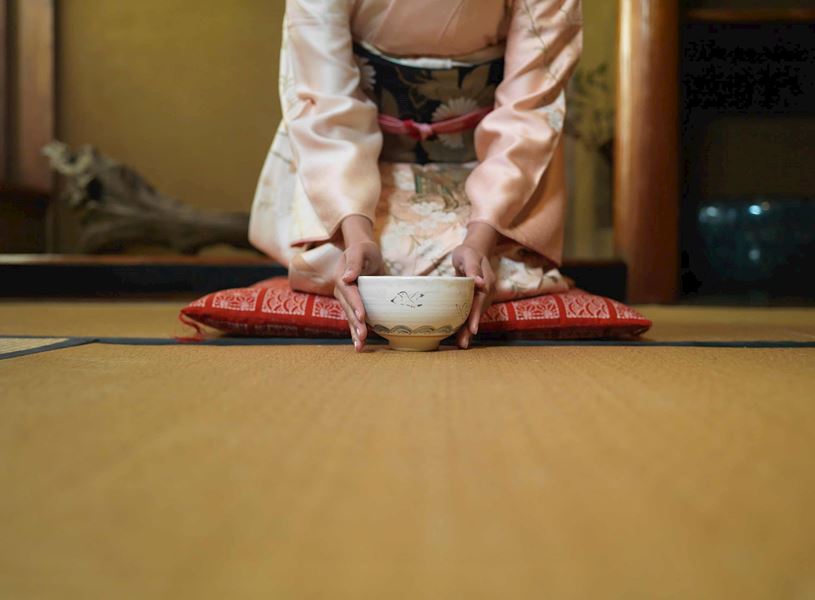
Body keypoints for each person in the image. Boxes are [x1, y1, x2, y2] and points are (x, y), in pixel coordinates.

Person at [249, 0, 583, 351]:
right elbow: (326, 102)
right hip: (357, 171)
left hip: (488, 171)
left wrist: (480, 239)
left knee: (475, 266)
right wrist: (356, 234)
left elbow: (527, 109)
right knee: (343, 258)